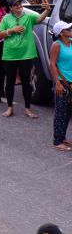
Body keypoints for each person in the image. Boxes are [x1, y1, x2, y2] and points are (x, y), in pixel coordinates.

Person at [0, 0, 51, 118]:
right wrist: (12, 30)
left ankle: (27, 109)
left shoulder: (28, 17)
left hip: (26, 54)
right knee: (10, 81)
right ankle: (10, 107)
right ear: (10, 8)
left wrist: (47, 10)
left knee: (26, 82)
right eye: (15, 5)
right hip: (10, 54)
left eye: (20, 4)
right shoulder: (6, 18)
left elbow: (40, 19)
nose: (19, 6)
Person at [49, 21, 72, 151]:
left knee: (68, 112)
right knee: (60, 112)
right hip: (62, 82)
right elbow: (52, 64)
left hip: (71, 82)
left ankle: (62, 137)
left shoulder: (70, 42)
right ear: (61, 33)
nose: (70, 29)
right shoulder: (57, 45)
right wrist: (57, 83)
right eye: (67, 29)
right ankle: (57, 141)